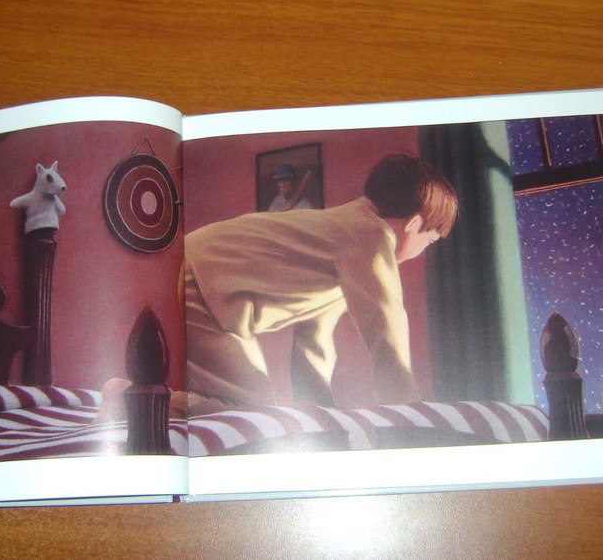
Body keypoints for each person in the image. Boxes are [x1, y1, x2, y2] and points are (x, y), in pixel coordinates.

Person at [185, 153, 458, 410]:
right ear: (413, 224)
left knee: (253, 409)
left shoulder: (346, 238)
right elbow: (387, 335)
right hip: (202, 280)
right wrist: (408, 414)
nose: (424, 249)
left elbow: (314, 339)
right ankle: (166, 408)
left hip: (203, 275)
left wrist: (321, 416)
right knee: (252, 412)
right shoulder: (371, 235)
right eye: (429, 240)